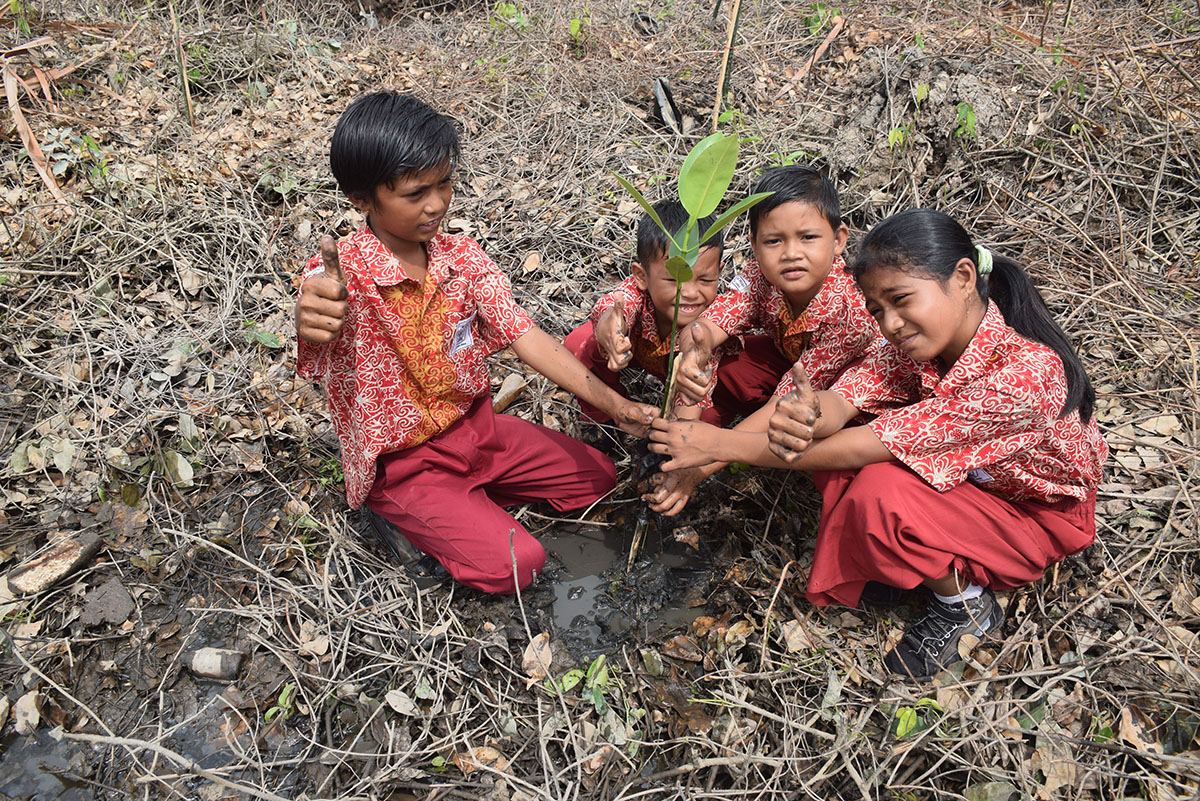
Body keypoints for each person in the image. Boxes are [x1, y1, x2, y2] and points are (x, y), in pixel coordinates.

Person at [294, 90, 657, 594]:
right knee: (518, 564)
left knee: (595, 478)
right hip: (406, 466)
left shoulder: (459, 255)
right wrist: (311, 310)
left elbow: (523, 333)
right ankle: (406, 518)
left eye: (444, 184)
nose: (437, 204)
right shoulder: (344, 276)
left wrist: (616, 405)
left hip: (478, 431)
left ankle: (472, 504)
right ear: (362, 199)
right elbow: (317, 305)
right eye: (416, 193)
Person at [762, 208, 1108, 678]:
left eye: (902, 299)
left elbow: (874, 444)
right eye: (877, 310)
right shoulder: (923, 343)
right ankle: (914, 564)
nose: (891, 323)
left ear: (964, 277)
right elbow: (850, 395)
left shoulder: (1026, 375)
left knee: (881, 489)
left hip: (1038, 517)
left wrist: (725, 448)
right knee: (858, 439)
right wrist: (811, 414)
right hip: (984, 487)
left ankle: (964, 606)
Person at [643, 166, 879, 515]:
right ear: (754, 245)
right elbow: (712, 324)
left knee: (807, 435)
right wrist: (696, 348)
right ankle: (685, 437)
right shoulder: (757, 274)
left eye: (808, 237)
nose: (791, 253)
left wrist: (699, 468)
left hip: (840, 401)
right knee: (715, 356)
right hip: (792, 366)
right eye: (774, 241)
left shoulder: (849, 311)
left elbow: (787, 402)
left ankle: (705, 446)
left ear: (839, 239)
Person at [564, 198, 726, 429]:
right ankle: (602, 420)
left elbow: (693, 395)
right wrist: (611, 330)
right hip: (637, 354)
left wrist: (674, 437)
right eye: (674, 280)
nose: (690, 293)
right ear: (641, 276)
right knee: (582, 343)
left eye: (706, 279)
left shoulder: (714, 320)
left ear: (719, 272)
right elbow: (615, 307)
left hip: (696, 388)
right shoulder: (637, 292)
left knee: (703, 413)